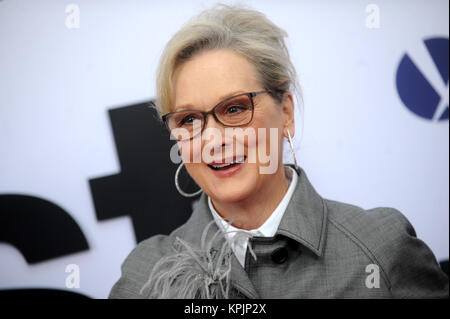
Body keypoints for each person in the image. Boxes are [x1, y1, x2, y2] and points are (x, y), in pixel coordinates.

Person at [109, 4, 448, 299]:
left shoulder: (381, 249)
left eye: (234, 109)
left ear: (286, 110)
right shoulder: (146, 277)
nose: (212, 140)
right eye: (189, 119)